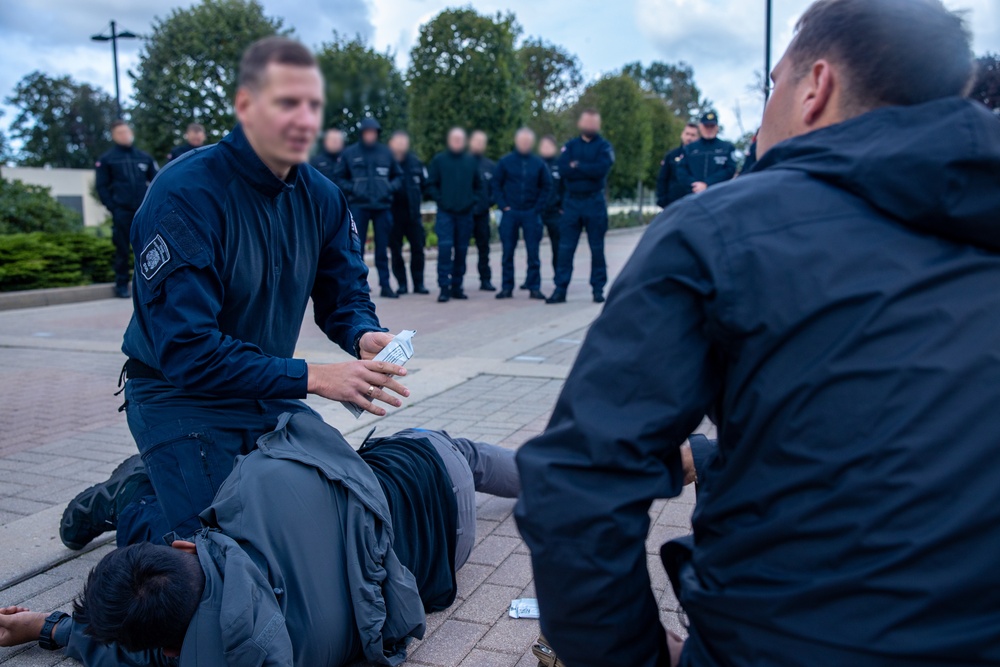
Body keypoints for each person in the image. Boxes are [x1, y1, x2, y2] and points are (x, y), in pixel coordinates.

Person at [516, 0, 1000, 665]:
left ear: (815, 87)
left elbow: (576, 489)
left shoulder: (721, 231)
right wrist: (712, 457)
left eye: (773, 82)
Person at [60, 37, 409, 557]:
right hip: (177, 393)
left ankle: (163, 475)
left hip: (262, 388)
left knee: (334, 512)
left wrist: (361, 332)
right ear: (246, 106)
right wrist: (313, 377)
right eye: (285, 103)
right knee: (222, 555)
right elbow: (189, 351)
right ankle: (129, 496)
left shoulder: (324, 197)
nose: (303, 120)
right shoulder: (185, 193)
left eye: (313, 105)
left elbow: (345, 295)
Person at [1, 414, 521, 666]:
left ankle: (120, 495)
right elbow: (306, 432)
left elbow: (132, 657)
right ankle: (564, 480)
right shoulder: (258, 484)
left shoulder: (223, 660)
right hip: (435, 468)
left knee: (146, 498)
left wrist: (51, 629)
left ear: (167, 651)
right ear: (183, 547)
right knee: (456, 450)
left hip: (448, 559)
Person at [546, 109, 615, 305]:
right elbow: (564, 169)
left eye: (593, 122)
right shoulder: (570, 146)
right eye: (587, 122)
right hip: (572, 202)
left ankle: (598, 289)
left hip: (594, 201)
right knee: (565, 248)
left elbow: (600, 170)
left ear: (598, 125)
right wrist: (584, 168)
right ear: (581, 123)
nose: (590, 126)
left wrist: (579, 166)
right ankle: (560, 289)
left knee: (597, 248)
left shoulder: (604, 146)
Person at [333, 118, 404, 298]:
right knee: (356, 248)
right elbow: (339, 177)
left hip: (382, 207)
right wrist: (354, 189)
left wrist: (389, 188)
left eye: (373, 132)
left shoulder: (386, 153)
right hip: (359, 206)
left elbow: (398, 176)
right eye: (367, 132)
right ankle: (359, 287)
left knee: (382, 249)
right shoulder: (350, 153)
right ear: (362, 133)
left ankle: (386, 285)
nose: (370, 135)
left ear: (377, 133)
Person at [95, 120, 159, 299]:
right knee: (122, 250)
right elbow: (101, 186)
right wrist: (113, 207)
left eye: (126, 132)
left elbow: (156, 182)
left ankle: (151, 285)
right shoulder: (107, 159)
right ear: (114, 136)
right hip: (122, 211)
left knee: (149, 248)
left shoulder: (144, 157)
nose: (124, 135)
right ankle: (122, 285)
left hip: (143, 211)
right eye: (120, 133)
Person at [493, 128, 553, 300]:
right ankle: (507, 287)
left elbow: (546, 186)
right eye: (522, 140)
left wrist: (537, 208)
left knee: (533, 253)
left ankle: (534, 287)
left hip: (531, 213)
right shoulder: (505, 162)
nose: (525, 144)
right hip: (510, 213)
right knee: (507, 253)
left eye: (528, 141)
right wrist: (503, 205)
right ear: (517, 141)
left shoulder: (538, 164)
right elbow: (496, 184)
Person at [426, 127, 484, 303]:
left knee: (461, 250)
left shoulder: (471, 161)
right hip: (446, 214)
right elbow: (430, 184)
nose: (457, 142)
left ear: (464, 141)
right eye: (454, 139)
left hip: (465, 214)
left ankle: (457, 286)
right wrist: (440, 199)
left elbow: (479, 185)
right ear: (449, 141)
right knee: (445, 249)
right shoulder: (439, 160)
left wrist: (471, 201)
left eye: (460, 139)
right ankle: (444, 287)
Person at [387, 130, 430, 295]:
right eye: (397, 141)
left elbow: (425, 185)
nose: (401, 145)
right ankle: (402, 284)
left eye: (404, 141)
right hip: (393, 214)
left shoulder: (416, 162)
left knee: (418, 249)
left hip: (413, 215)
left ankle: (419, 283)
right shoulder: (387, 162)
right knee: (396, 251)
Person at [676, 110, 736, 195]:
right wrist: (695, 185)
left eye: (712, 126)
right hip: (693, 195)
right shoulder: (690, 148)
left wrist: (707, 184)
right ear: (700, 127)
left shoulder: (727, 148)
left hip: (718, 194)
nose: (709, 129)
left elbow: (730, 170)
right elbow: (681, 171)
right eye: (706, 126)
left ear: (717, 127)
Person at [469, 130, 497, 292]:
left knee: (484, 248)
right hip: (464, 214)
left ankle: (485, 279)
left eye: (482, 141)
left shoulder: (490, 166)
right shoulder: (463, 163)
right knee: (460, 249)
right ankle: (456, 283)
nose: (479, 144)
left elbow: (496, 188)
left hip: (483, 213)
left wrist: (489, 203)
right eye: (476, 141)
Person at [537, 135, 565, 279]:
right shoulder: (535, 164)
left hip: (555, 212)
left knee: (558, 247)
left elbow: (566, 187)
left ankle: (559, 277)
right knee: (533, 247)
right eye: (543, 145)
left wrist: (562, 206)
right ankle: (532, 280)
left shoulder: (560, 165)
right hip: (537, 211)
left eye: (549, 145)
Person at [655, 123, 700, 208]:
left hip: (694, 203)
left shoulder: (701, 156)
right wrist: (662, 200)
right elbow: (663, 178)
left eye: (693, 135)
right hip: (673, 203)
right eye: (687, 134)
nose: (689, 138)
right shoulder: (671, 155)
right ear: (682, 134)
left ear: (697, 138)